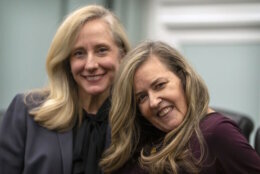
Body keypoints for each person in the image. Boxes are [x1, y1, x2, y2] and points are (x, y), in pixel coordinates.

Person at [0, 5, 130, 174]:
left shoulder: (135, 121)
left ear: (123, 55)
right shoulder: (27, 112)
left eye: (102, 50)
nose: (90, 65)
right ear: (67, 62)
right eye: (79, 53)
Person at [100, 41, 260, 174]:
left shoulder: (216, 133)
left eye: (160, 85)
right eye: (142, 97)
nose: (153, 101)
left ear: (183, 78)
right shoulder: (140, 142)